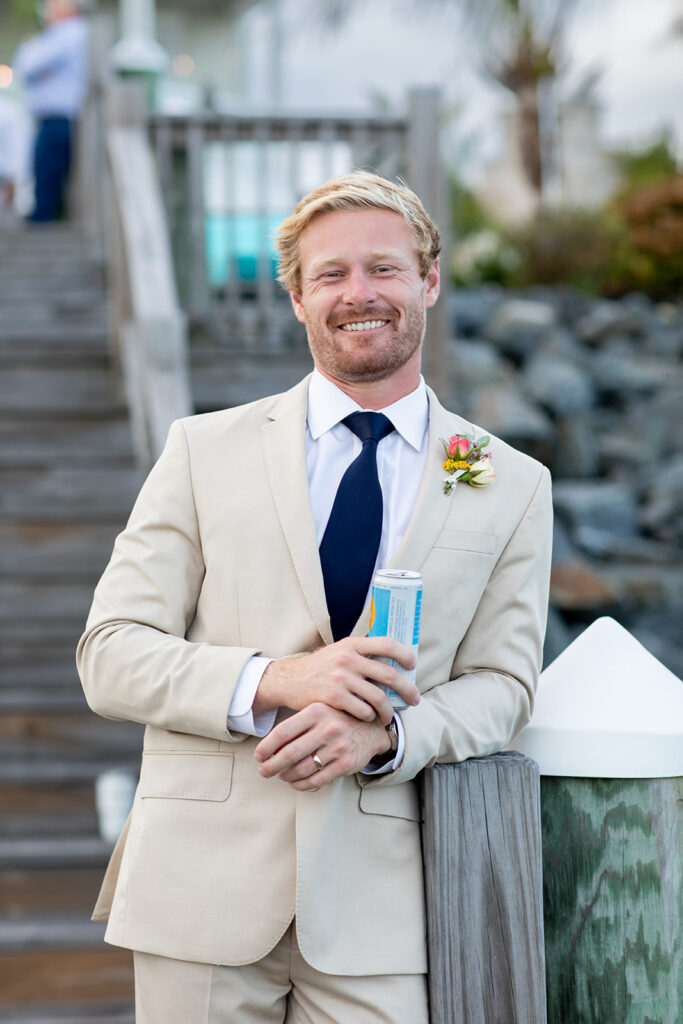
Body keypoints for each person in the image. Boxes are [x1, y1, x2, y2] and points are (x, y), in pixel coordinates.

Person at [77, 171, 553, 1024]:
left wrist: (388, 735)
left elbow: (504, 685)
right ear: (298, 298)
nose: (357, 293)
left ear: (428, 281)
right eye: (330, 274)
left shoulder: (507, 480)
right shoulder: (201, 450)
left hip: (384, 909)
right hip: (198, 892)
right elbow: (110, 655)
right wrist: (278, 679)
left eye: (384, 268)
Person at [12, 0, 88, 222]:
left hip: (57, 120)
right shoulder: (69, 34)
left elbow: (27, 64)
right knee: (49, 179)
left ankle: (42, 226)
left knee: (47, 180)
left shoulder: (68, 33)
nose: (47, 9)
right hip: (59, 120)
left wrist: (30, 49)